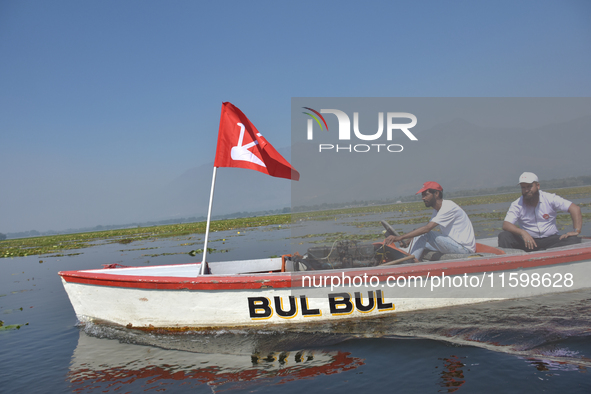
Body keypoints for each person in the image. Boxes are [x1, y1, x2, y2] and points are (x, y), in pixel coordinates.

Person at [385, 181, 476, 262]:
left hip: (464, 249)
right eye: (422, 195)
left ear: (436, 193)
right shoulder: (437, 210)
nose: (423, 198)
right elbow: (424, 229)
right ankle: (412, 258)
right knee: (420, 236)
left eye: (426, 194)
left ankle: (412, 263)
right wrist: (408, 242)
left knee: (426, 233)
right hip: (453, 244)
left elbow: (427, 229)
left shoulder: (448, 207)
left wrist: (400, 238)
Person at [498, 172, 582, 251]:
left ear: (537, 186)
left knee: (573, 239)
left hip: (551, 239)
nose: (526, 190)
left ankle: (549, 253)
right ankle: (511, 262)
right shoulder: (517, 204)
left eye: (529, 186)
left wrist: (576, 231)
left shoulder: (550, 198)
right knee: (504, 236)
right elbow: (506, 225)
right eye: (523, 187)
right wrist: (523, 232)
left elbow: (575, 208)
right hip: (528, 241)